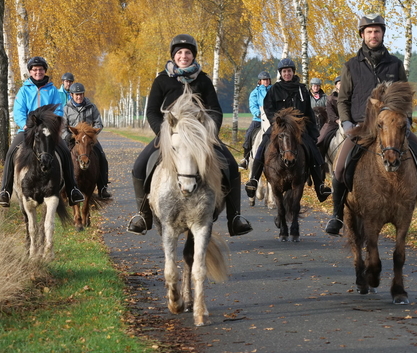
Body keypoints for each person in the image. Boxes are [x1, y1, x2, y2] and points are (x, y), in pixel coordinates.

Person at [324, 13, 417, 236]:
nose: (373, 35)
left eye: (377, 31)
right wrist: (348, 123)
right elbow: (343, 100)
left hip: (393, 128)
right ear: (362, 35)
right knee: (340, 169)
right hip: (362, 127)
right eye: (369, 31)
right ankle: (337, 215)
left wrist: (405, 120)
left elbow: (406, 97)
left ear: (382, 34)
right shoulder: (351, 66)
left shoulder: (395, 64)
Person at [126, 34, 252, 237]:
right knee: (140, 166)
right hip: (170, 136)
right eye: (180, 53)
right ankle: (143, 215)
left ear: (193, 56)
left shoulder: (203, 80)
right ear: (173, 56)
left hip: (199, 137)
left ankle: (235, 217)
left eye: (188, 53)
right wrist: (164, 133)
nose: (183, 56)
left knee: (230, 166)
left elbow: (215, 111)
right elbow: (151, 112)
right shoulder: (162, 80)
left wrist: (209, 133)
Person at [0, 57, 84, 207]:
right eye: (35, 69)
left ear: (44, 71)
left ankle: (72, 189)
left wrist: (52, 124)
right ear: (30, 72)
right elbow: (18, 111)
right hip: (28, 130)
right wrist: (25, 124)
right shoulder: (24, 90)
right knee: (11, 152)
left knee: (64, 151)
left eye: (41, 69)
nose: (38, 72)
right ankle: (5, 191)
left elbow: (58, 110)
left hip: (48, 131)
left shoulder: (52, 90)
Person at [244, 58, 332, 203]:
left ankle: (320, 186)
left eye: (289, 71)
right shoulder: (274, 90)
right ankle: (253, 180)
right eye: (284, 71)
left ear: (293, 72)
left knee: (314, 151)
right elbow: (268, 107)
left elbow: (308, 111)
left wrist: (313, 131)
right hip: (279, 128)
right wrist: (277, 122)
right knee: (262, 146)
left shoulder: (302, 89)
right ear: (280, 73)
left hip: (298, 129)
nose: (287, 74)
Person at [62, 82, 112, 199]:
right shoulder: (66, 109)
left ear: (83, 94)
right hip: (72, 139)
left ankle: (102, 187)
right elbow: (63, 126)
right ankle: (61, 186)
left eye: (81, 94)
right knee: (61, 156)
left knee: (102, 156)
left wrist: (91, 134)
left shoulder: (92, 107)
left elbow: (99, 123)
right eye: (76, 95)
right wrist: (69, 136)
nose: (79, 97)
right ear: (72, 95)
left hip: (89, 140)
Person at [239, 71, 272, 169]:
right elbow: (253, 106)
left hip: (271, 118)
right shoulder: (255, 93)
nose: (266, 81)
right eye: (264, 80)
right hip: (258, 119)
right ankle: (246, 159)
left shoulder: (274, 90)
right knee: (249, 135)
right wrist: (258, 114)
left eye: (267, 79)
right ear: (260, 81)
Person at [317, 75, 341, 156]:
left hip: (347, 123)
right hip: (332, 123)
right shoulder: (330, 98)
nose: (342, 85)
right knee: (320, 141)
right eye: (340, 83)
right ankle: (319, 162)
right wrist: (337, 120)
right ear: (336, 85)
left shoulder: (350, 97)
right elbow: (330, 113)